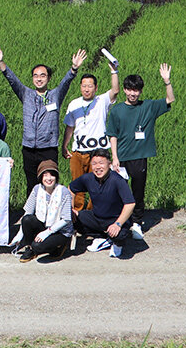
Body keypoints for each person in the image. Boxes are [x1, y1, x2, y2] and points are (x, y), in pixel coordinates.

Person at [0, 44, 86, 194]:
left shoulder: (55, 95)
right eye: (35, 75)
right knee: (31, 183)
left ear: (48, 78)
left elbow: (65, 83)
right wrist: (1, 63)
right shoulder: (26, 94)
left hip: (48, 148)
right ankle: (31, 215)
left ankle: (51, 213)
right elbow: (12, 80)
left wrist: (74, 69)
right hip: (29, 148)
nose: (39, 79)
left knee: (49, 183)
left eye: (42, 75)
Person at [106, 64, 175, 240]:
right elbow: (112, 135)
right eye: (129, 90)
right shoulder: (117, 110)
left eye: (136, 90)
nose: (132, 94)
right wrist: (114, 157)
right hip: (121, 159)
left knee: (138, 191)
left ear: (141, 91)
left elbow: (170, 100)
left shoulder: (148, 107)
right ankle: (118, 222)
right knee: (118, 192)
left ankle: (136, 223)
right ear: (124, 90)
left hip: (139, 157)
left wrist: (167, 81)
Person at [62, 61, 120, 212]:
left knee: (98, 185)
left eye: (90, 86)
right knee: (77, 185)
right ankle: (77, 215)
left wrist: (114, 71)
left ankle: (93, 214)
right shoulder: (73, 104)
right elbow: (70, 127)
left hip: (98, 153)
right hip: (78, 152)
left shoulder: (102, 101)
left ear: (96, 88)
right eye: (84, 86)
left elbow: (115, 90)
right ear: (80, 87)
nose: (87, 89)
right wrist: (64, 146)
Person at [68, 149, 135, 258]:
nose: (98, 167)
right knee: (73, 218)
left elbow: (130, 204)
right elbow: (70, 189)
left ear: (109, 164)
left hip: (116, 219)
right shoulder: (88, 178)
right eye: (94, 164)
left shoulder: (117, 180)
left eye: (101, 163)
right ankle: (104, 238)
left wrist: (117, 224)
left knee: (120, 235)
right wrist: (70, 209)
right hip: (97, 217)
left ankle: (116, 243)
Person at [10, 160, 73, 263]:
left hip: (60, 231)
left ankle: (60, 246)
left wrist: (47, 233)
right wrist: (20, 234)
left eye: (52, 175)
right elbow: (28, 213)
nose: (49, 178)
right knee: (27, 219)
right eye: (45, 175)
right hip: (44, 225)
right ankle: (30, 249)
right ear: (40, 177)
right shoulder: (36, 189)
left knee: (38, 246)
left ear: (56, 177)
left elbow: (66, 219)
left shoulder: (63, 191)